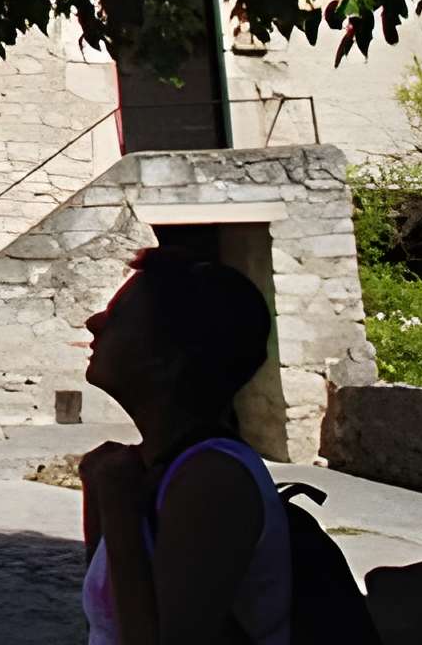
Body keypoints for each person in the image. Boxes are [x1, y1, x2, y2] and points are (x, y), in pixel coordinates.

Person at [78, 245, 292, 644]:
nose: (94, 324)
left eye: (118, 318)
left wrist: (119, 511)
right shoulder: (147, 469)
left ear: (168, 358)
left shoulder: (212, 479)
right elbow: (110, 620)